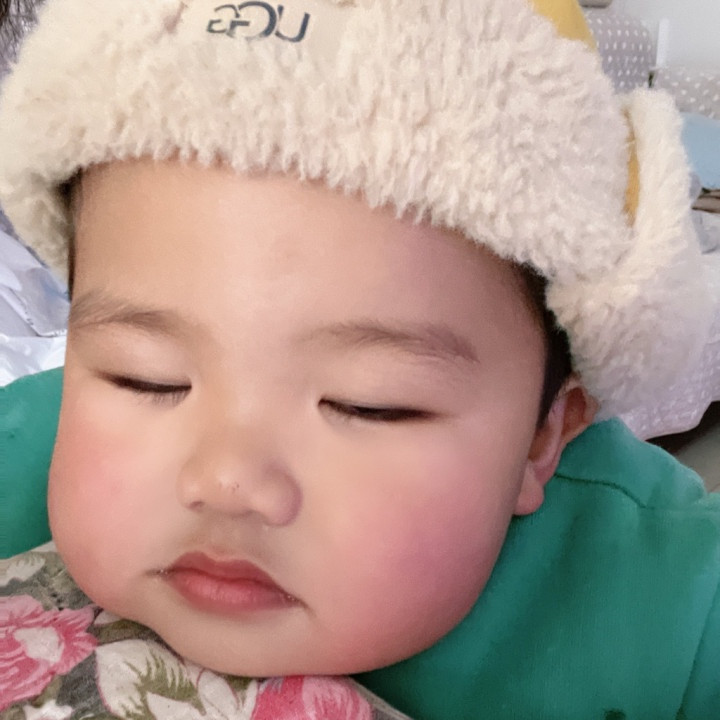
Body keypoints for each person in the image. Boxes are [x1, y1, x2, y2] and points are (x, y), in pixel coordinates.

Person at [0, 0, 718, 718]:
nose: (227, 481)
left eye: (368, 404)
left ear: (543, 436)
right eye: (145, 378)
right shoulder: (19, 449)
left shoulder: (673, 605)